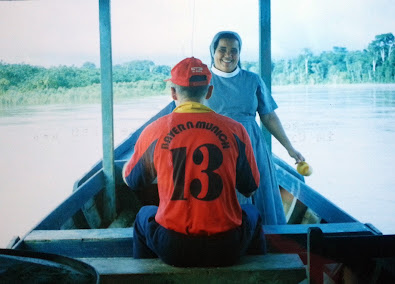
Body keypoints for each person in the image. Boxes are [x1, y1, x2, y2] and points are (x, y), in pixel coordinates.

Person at [123, 57, 266, 267]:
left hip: (174, 248)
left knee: (144, 214)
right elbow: (250, 188)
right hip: (227, 247)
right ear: (209, 91)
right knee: (252, 213)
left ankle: (145, 275)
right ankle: (260, 275)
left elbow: (132, 182)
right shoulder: (236, 130)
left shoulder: (154, 131)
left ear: (173, 93)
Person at [205, 31, 305, 225]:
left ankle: (263, 238)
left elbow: (269, 116)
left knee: (259, 196)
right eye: (222, 49)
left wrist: (291, 149)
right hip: (215, 149)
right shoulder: (203, 80)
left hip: (251, 145)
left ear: (239, 53)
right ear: (213, 52)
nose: (228, 55)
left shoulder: (252, 80)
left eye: (234, 50)